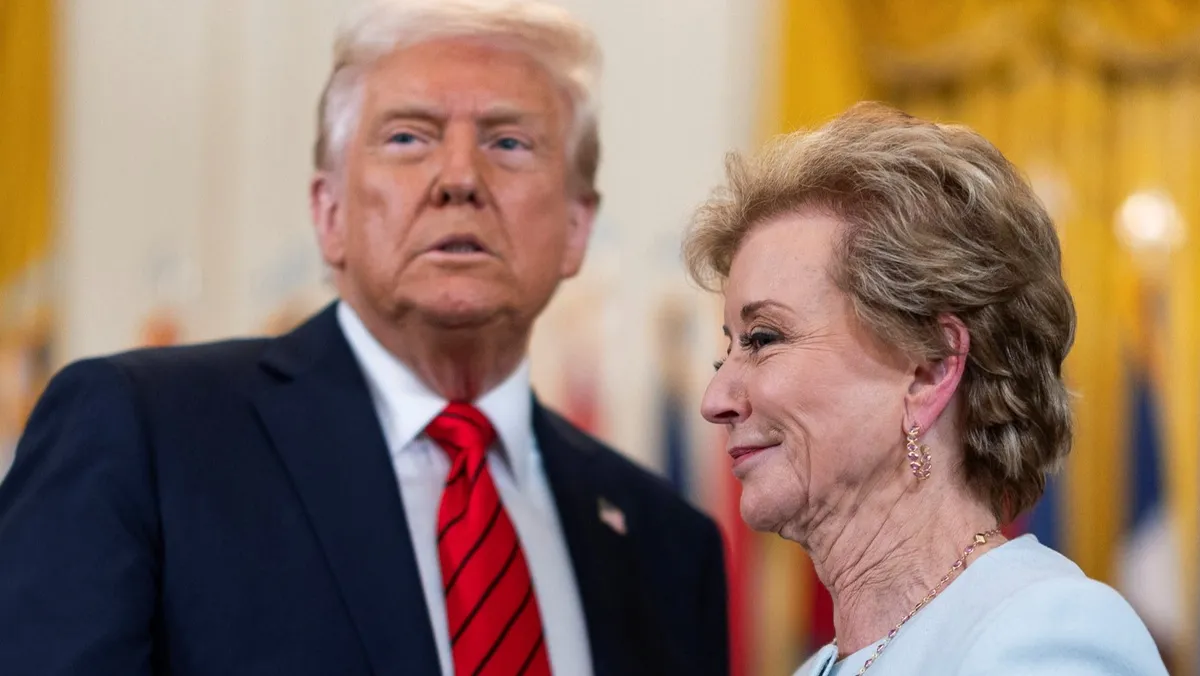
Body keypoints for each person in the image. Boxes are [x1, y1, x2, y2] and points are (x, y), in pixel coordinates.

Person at [0, 1, 729, 674]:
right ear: (328, 214)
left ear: (576, 227)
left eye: (509, 142)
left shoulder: (667, 544)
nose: (459, 177)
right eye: (408, 137)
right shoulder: (147, 437)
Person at [684, 102, 1166, 675]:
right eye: (727, 350)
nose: (715, 400)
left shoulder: (1050, 638)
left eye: (764, 339)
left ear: (929, 370)